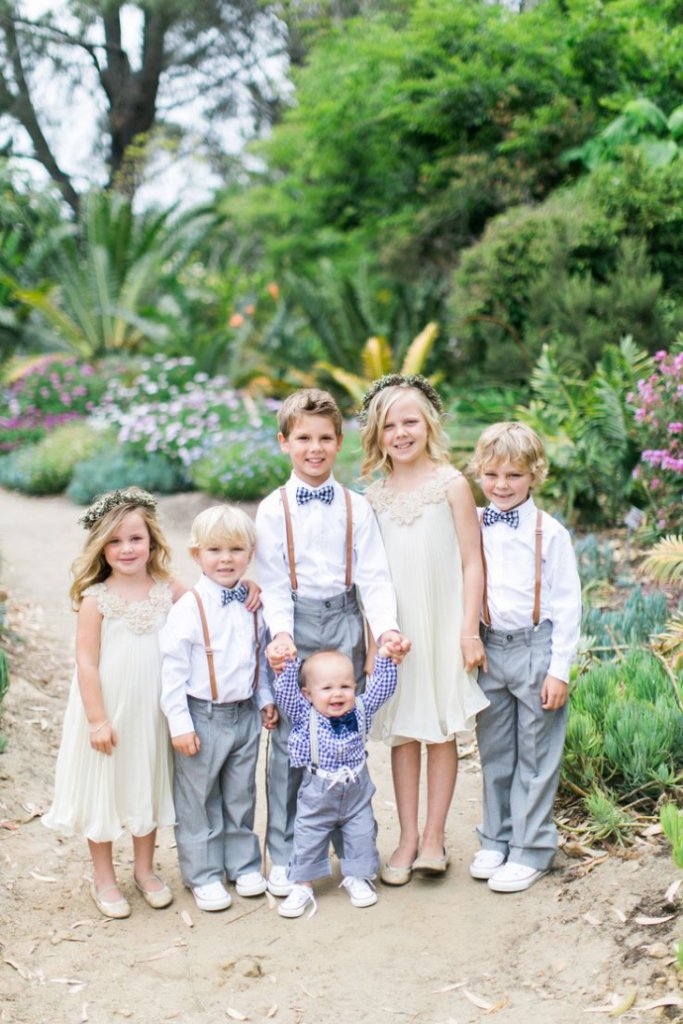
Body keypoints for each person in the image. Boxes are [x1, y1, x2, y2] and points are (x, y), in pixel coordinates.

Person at [255, 387, 409, 898]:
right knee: (291, 742)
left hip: (344, 621)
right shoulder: (272, 509)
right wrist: (280, 636)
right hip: (294, 624)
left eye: (324, 438)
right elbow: (274, 582)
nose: (314, 448)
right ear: (284, 443)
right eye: (303, 438)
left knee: (345, 730)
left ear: (339, 441)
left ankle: (354, 851)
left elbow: (376, 576)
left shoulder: (355, 506)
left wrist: (384, 628)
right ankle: (285, 852)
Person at [359, 374, 489, 885]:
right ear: (376, 434)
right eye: (389, 425)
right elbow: (369, 579)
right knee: (402, 732)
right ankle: (406, 835)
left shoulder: (452, 485)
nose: (401, 432)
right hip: (398, 633)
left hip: (441, 624)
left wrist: (468, 628)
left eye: (410, 421)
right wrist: (374, 641)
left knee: (439, 730)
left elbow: (472, 562)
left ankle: (434, 836)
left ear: (428, 424)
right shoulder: (373, 497)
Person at [43, 487, 185, 919]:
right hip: (108, 710)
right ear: (101, 547)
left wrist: (246, 587)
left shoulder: (169, 590)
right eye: (115, 541)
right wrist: (97, 719)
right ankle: (103, 877)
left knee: (147, 781)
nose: (127, 548)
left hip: (151, 712)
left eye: (136, 538)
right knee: (104, 789)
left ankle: (145, 870)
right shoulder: (96, 599)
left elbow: (210, 605)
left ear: (153, 542)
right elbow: (86, 662)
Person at [468, 422, 581, 893]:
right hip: (490, 648)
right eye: (492, 474)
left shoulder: (549, 533)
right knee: (495, 751)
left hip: (536, 647)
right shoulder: (473, 523)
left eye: (513, 475)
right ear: (479, 474)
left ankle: (532, 848)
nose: (501, 485)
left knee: (536, 753)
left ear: (535, 475)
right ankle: (497, 837)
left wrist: (559, 669)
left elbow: (569, 604)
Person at [159, 505, 277, 913]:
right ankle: (204, 873)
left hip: (244, 713)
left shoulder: (253, 604)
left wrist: (265, 700)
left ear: (250, 553)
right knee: (199, 799)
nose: (225, 559)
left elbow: (258, 658)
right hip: (201, 716)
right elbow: (171, 672)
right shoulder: (189, 608)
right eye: (214, 550)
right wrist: (180, 724)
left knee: (240, 794)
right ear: (196, 556)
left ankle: (242, 864)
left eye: (235, 549)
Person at [269, 639, 406, 918]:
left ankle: (357, 876)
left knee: (362, 832)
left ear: (354, 688)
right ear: (308, 694)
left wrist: (385, 658)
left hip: (356, 790)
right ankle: (303, 883)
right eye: (327, 688)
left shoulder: (361, 709)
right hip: (319, 791)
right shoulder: (304, 714)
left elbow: (382, 687)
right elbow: (286, 695)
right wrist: (287, 664)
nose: (337, 694)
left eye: (345, 686)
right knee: (308, 835)